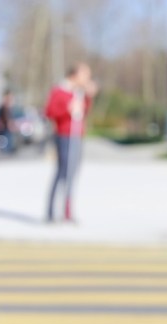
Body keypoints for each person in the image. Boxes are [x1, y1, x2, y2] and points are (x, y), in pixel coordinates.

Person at [44, 63, 97, 223]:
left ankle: (67, 210)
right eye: (85, 75)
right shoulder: (60, 91)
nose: (87, 79)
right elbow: (49, 112)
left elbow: (84, 112)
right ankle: (51, 211)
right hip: (63, 135)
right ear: (74, 75)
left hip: (77, 136)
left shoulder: (79, 93)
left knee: (73, 173)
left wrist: (88, 97)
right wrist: (66, 109)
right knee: (62, 172)